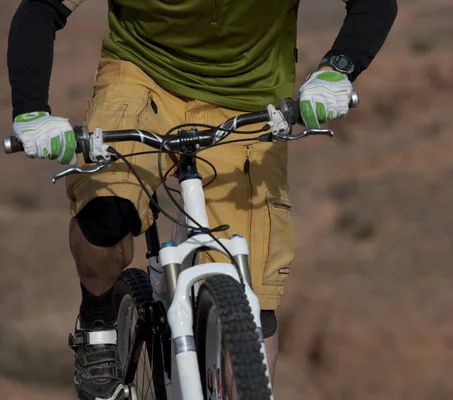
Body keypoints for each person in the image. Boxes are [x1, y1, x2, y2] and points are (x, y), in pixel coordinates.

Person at [7, 0, 397, 398]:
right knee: (106, 214)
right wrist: (31, 112)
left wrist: (337, 69)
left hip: (248, 98)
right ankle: (97, 321)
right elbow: (42, 8)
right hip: (143, 79)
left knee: (252, 305)